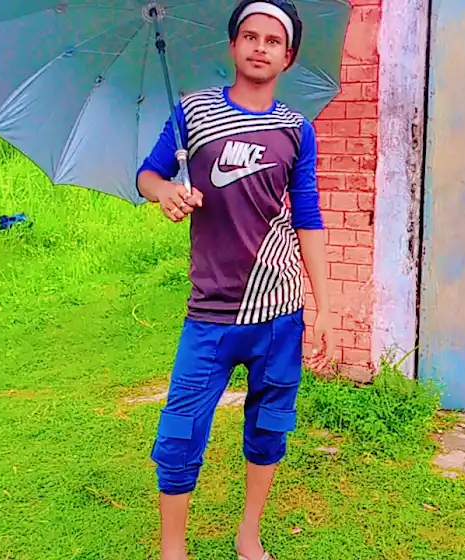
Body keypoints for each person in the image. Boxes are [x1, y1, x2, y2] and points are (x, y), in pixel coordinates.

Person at [137, 1, 335, 558]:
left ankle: (249, 535)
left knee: (269, 428)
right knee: (179, 435)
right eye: (250, 36)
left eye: (273, 41)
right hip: (210, 313)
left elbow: (308, 216)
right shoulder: (193, 112)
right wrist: (166, 192)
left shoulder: (297, 129)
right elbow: (148, 174)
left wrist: (324, 307)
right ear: (232, 46)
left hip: (279, 312)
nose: (259, 47)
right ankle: (172, 549)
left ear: (288, 57)